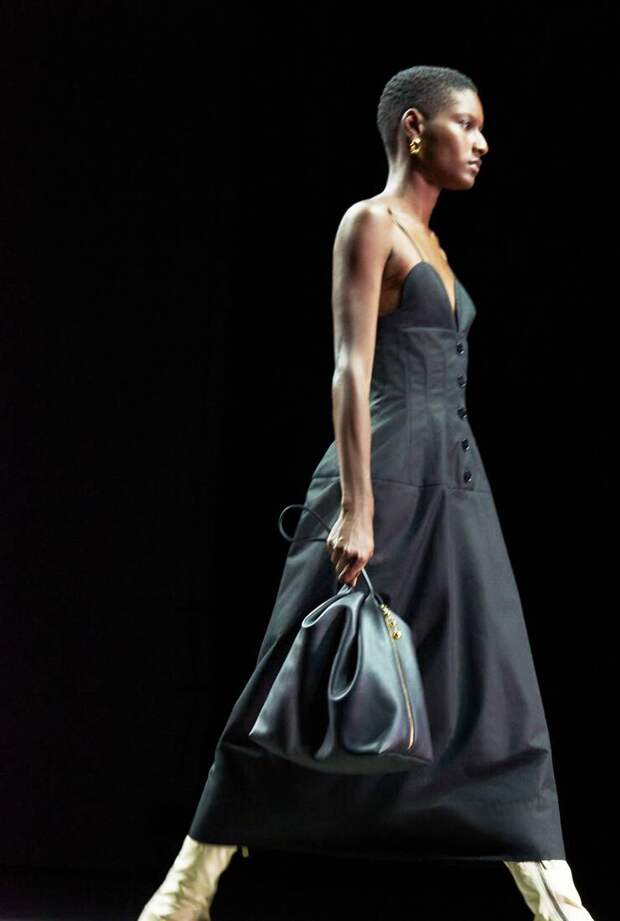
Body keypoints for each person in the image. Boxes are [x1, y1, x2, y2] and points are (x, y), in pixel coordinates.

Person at [137, 65, 596, 921]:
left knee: (497, 684)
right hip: (381, 472)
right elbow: (351, 368)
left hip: (456, 485)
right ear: (416, 128)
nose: (482, 143)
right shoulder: (370, 223)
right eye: (467, 125)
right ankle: (183, 891)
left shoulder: (437, 247)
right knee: (298, 674)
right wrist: (355, 505)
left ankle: (556, 900)